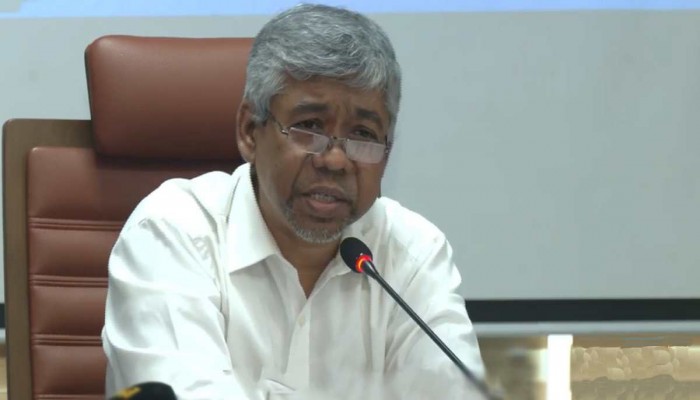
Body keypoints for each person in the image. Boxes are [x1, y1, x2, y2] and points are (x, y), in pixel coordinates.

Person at [102, 4, 485, 399]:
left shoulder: (412, 253)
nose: (335, 160)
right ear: (250, 131)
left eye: (363, 134)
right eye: (309, 126)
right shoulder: (172, 232)